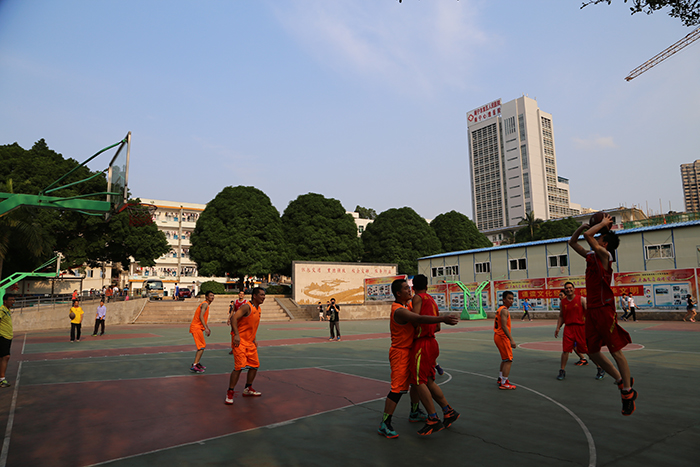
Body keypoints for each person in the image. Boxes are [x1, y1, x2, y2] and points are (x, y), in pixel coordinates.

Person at [568, 215, 637, 416]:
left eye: (600, 237)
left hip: (605, 310)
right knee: (592, 352)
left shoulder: (606, 256)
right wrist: (582, 227)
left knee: (616, 351)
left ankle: (627, 392)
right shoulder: (591, 256)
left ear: (604, 243)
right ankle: (620, 379)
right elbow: (572, 243)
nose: (596, 238)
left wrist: (602, 224)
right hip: (592, 310)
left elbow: (589, 236)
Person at [378, 278, 459, 438]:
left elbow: (422, 317)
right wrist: (442, 318)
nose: (409, 290)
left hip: (413, 349)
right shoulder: (398, 310)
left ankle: (415, 412)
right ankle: (385, 423)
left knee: (417, 382)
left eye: (410, 287)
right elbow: (419, 319)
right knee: (397, 389)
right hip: (400, 352)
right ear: (398, 293)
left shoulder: (409, 305)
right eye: (405, 288)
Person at [409, 274, 460, 436]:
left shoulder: (417, 298)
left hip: (422, 344)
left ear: (413, 287)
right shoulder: (431, 300)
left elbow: (416, 319)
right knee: (429, 381)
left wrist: (405, 318)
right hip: (432, 343)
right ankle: (448, 411)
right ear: (427, 286)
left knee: (418, 381)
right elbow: (437, 327)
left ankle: (433, 418)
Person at [555, 283, 605, 381]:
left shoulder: (581, 299)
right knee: (565, 350)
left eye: (570, 288)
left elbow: (589, 313)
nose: (568, 290)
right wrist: (558, 327)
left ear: (574, 289)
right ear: (565, 290)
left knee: (587, 350)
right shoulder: (563, 302)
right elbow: (561, 315)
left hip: (581, 328)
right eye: (566, 288)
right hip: (568, 328)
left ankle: (600, 367)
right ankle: (562, 370)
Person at [225, 287, 265, 404]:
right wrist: (236, 335)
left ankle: (248, 388)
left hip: (250, 341)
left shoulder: (258, 309)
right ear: (254, 296)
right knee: (239, 366)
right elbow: (234, 318)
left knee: (255, 365)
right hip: (240, 341)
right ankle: (230, 392)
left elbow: (252, 326)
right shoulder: (247, 307)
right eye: (261, 295)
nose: (264, 297)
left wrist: (254, 339)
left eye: (264, 295)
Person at [495, 291, 517, 390]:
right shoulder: (504, 310)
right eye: (509, 298)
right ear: (504, 299)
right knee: (508, 360)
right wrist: (511, 339)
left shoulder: (500, 309)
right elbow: (504, 326)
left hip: (498, 336)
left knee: (505, 359)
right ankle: (504, 382)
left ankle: (501, 378)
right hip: (502, 337)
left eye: (512, 299)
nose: (511, 301)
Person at [189, 291, 214, 373]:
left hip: (198, 327)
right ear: (206, 297)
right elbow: (201, 316)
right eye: (211, 295)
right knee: (201, 346)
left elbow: (203, 318)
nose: (212, 297)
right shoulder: (205, 304)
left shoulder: (206, 304)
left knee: (202, 346)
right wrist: (206, 328)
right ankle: (194, 365)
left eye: (213, 296)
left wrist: (207, 327)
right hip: (196, 328)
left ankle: (197, 363)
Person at [0, 295, 16, 388]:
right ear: (5, 301)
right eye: (11, 300)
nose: (13, 301)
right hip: (2, 337)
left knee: (3, 357)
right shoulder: (1, 311)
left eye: (14, 299)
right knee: (5, 357)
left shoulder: (7, 310)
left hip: (7, 337)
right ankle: (2, 379)